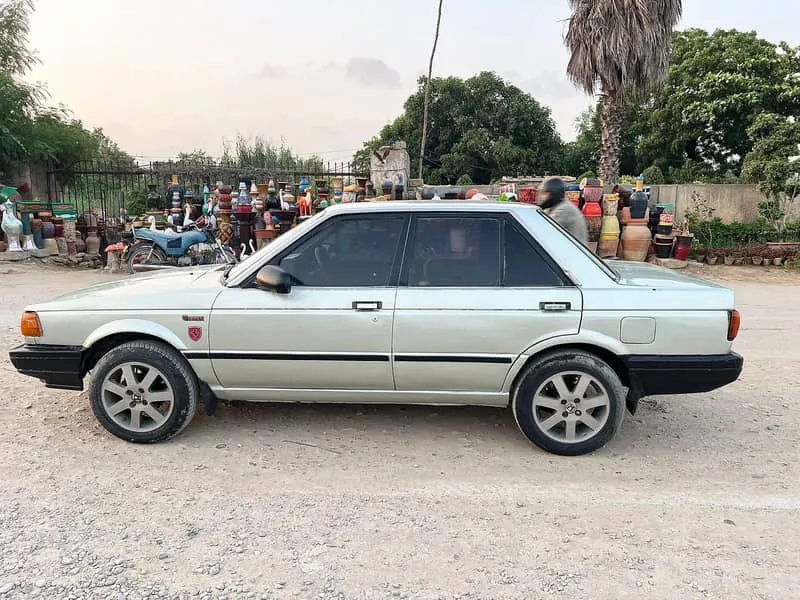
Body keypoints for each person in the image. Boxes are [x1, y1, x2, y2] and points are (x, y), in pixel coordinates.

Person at [537, 176, 588, 245]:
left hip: (571, 254)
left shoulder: (564, 210)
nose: (541, 197)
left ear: (554, 194)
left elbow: (542, 231)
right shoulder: (555, 207)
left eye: (545, 193)